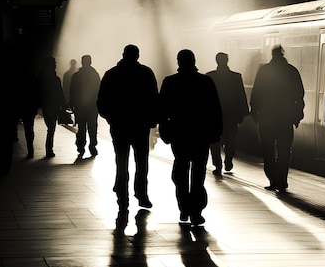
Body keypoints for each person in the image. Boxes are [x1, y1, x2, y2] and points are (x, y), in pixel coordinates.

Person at [159, 49, 223, 225]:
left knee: (180, 170)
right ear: (194, 61)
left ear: (178, 62)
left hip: (179, 133)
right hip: (200, 134)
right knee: (198, 172)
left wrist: (164, 131)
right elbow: (215, 110)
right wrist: (216, 132)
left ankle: (184, 207)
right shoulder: (205, 82)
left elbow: (162, 110)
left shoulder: (170, 82)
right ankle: (197, 210)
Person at [97, 44, 159, 212]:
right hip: (141, 125)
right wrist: (152, 120)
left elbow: (102, 101)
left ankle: (122, 195)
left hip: (119, 124)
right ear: (138, 56)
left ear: (123, 55)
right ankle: (141, 194)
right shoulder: (146, 73)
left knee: (121, 160)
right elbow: (154, 99)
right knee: (141, 161)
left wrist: (110, 118)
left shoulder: (111, 74)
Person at [250, 45, 305, 192]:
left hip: (267, 118)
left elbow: (256, 93)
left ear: (272, 55)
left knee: (267, 150)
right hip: (285, 118)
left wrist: (255, 113)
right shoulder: (291, 71)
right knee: (284, 150)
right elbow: (299, 95)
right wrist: (297, 115)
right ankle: (282, 180)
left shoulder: (264, 71)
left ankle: (273, 178)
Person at [206, 52, 249, 176]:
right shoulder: (236, 77)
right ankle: (228, 160)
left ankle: (217, 165)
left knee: (214, 141)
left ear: (216, 61)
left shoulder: (210, 77)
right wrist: (242, 114)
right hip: (231, 114)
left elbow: (205, 97)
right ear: (227, 60)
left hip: (213, 115)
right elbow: (241, 96)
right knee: (230, 138)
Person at [69, 54, 101, 157]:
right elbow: (99, 90)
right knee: (92, 127)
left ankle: (81, 145)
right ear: (90, 62)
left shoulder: (76, 76)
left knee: (81, 127)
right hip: (92, 106)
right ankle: (92, 146)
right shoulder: (95, 75)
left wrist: (72, 102)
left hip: (80, 106)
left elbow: (72, 90)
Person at [37, 56, 66, 158]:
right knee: (51, 129)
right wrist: (64, 105)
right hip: (53, 106)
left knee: (50, 128)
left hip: (46, 106)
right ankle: (49, 149)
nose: (55, 65)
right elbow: (60, 93)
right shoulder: (55, 79)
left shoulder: (41, 78)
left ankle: (48, 149)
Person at [14, 61, 40, 159]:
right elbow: (37, 92)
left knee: (24, 126)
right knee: (29, 128)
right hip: (30, 107)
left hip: (21, 105)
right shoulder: (33, 78)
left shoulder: (18, 77)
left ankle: (15, 136)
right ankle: (30, 149)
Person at [62, 59, 78, 126]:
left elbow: (64, 85)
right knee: (76, 107)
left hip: (68, 92)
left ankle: (68, 119)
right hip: (76, 93)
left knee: (69, 107)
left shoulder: (67, 74)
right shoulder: (77, 74)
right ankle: (76, 120)